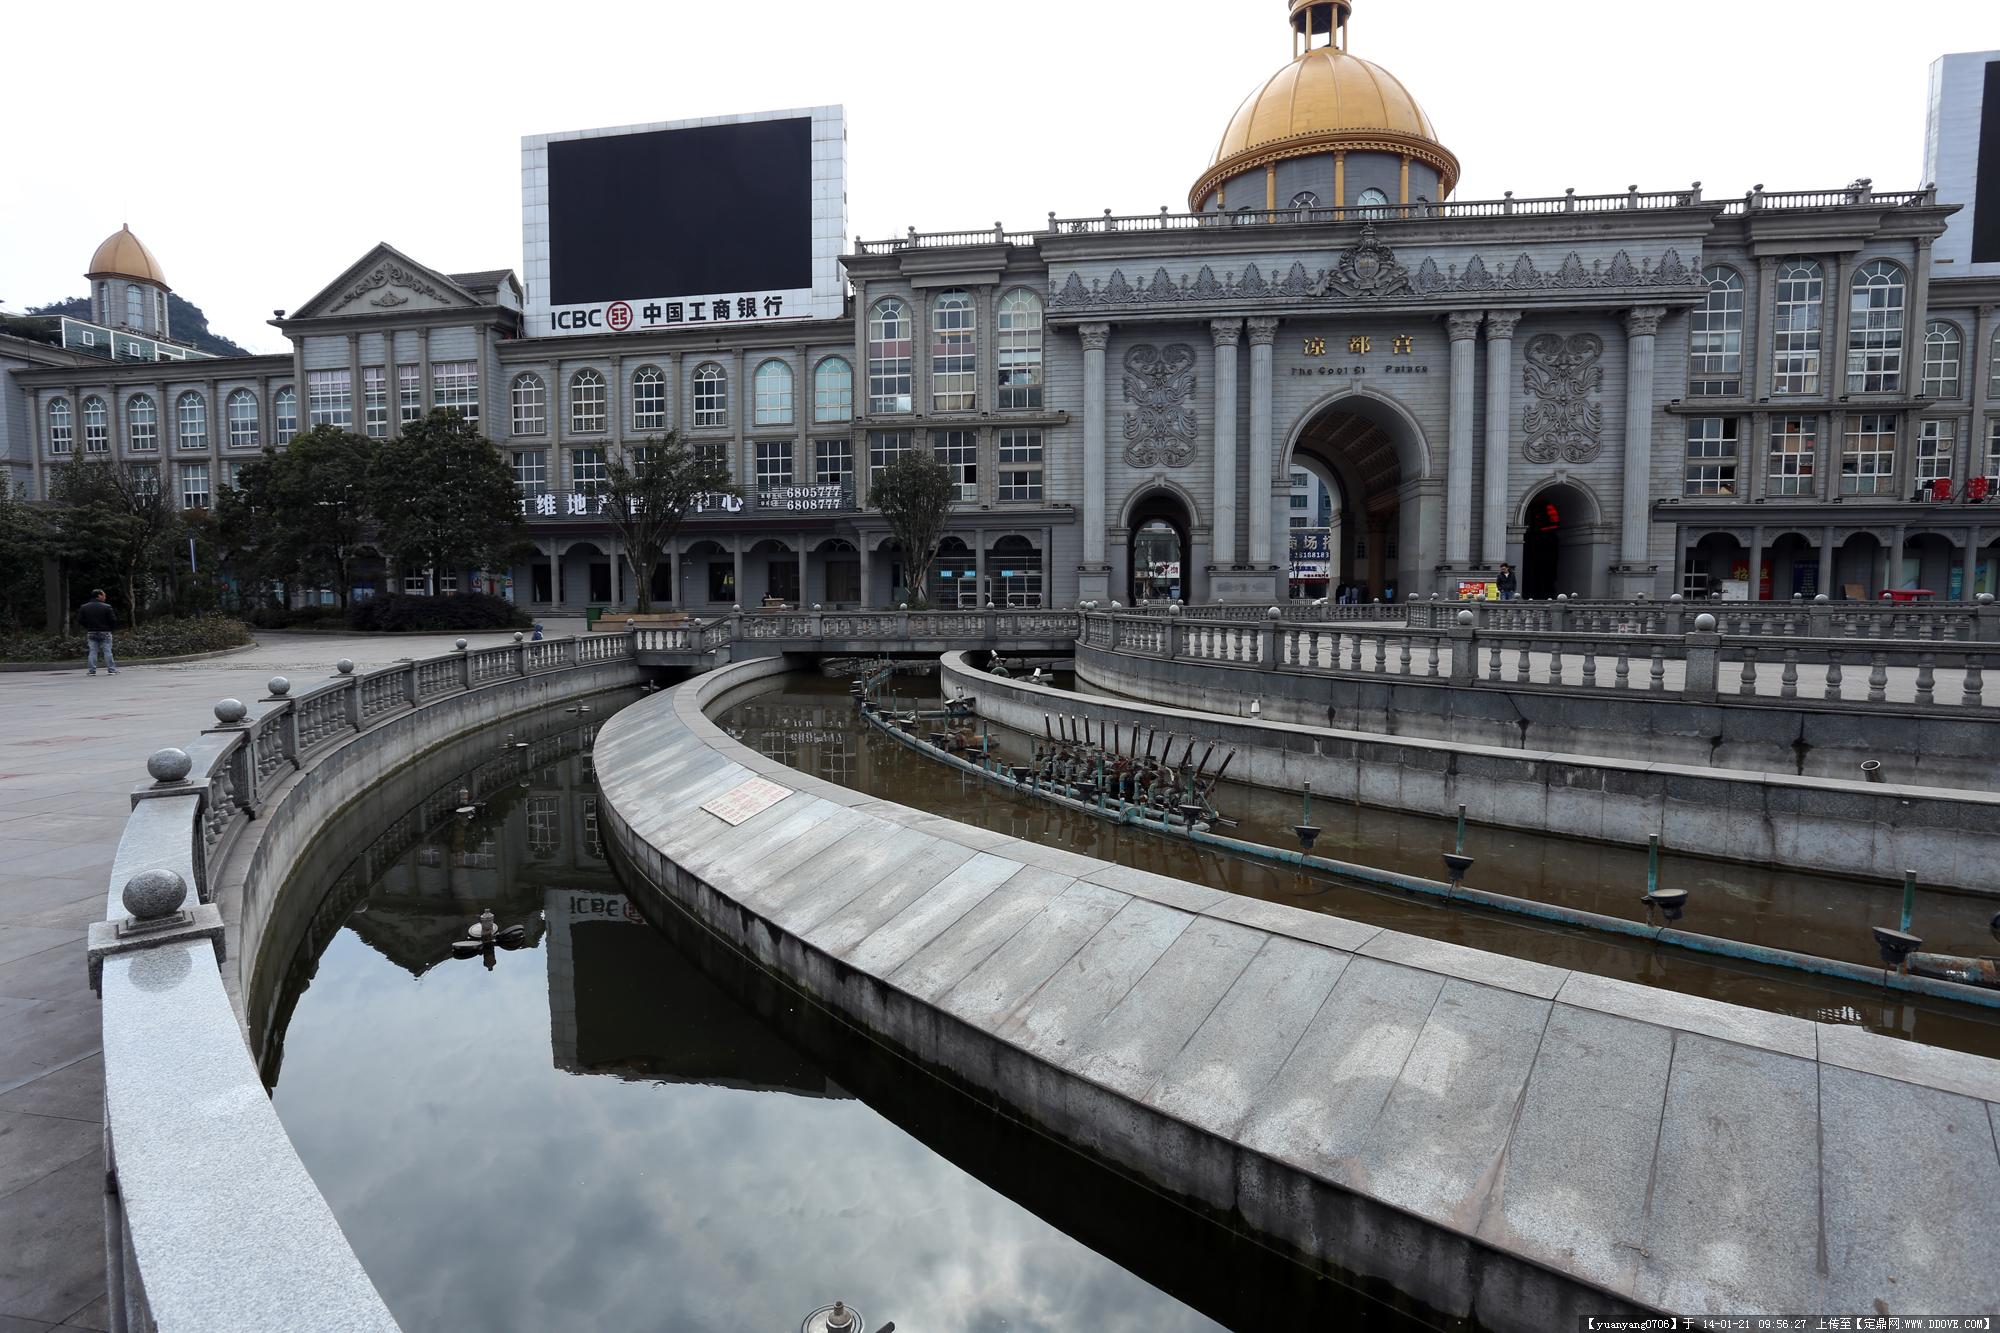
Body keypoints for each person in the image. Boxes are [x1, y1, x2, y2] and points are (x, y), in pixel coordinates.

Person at [77, 589, 118, 675]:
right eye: (104, 595)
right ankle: (111, 669)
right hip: (105, 631)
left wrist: (87, 626)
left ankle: (92, 670)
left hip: (91, 631)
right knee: (107, 650)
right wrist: (110, 628)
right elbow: (113, 620)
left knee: (93, 651)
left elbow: (80, 620)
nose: (105, 597)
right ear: (99, 596)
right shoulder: (107, 607)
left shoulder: (84, 607)